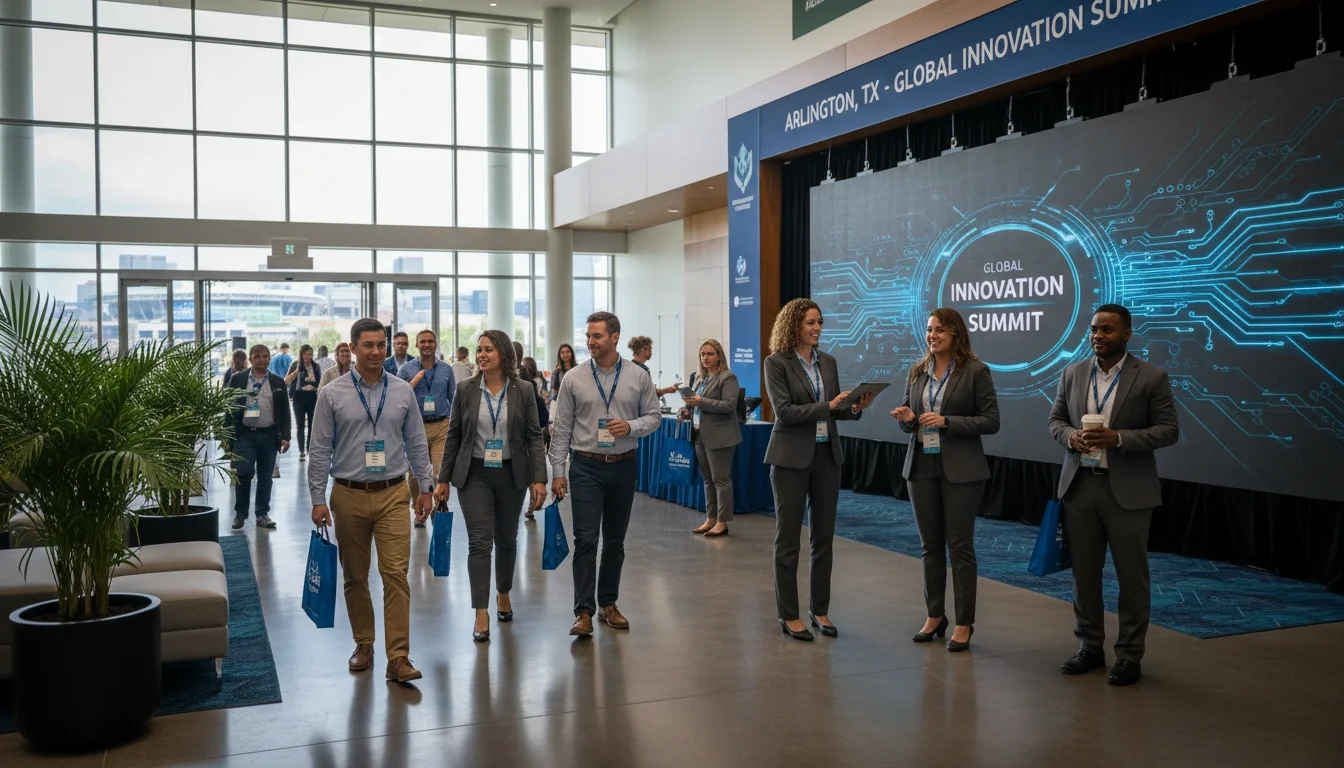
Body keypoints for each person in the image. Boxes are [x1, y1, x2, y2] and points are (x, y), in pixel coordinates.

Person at [1049, 304, 1179, 687]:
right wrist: (1071, 437)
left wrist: (1118, 438)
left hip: (1128, 491)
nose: (1098, 336)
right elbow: (1055, 420)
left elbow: (1168, 430)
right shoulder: (1073, 373)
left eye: (1107, 330)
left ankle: (1129, 656)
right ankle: (1089, 647)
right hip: (1080, 486)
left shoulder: (1151, 377)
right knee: (1084, 574)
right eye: (1094, 329)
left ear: (1126, 334)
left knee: (1131, 578)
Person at [308, 318, 435, 684]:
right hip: (347, 495)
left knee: (395, 575)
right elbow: (319, 449)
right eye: (369, 345)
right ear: (353, 348)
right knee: (355, 576)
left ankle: (399, 656)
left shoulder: (402, 391)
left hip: (394, 493)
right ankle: (364, 643)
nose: (377, 352)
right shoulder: (332, 393)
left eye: (381, 345)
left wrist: (425, 488)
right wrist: (317, 498)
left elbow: (416, 443)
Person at [763, 298, 875, 642]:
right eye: (810, 323)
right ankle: (788, 614)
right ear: (793, 325)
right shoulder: (776, 362)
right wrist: (828, 405)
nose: (817, 329)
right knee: (788, 539)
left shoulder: (828, 361)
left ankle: (820, 609)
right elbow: (784, 412)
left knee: (823, 539)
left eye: (820, 322)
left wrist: (853, 407)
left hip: (828, 457)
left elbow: (834, 412)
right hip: (790, 459)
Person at [890, 308, 1000, 652]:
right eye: (929, 329)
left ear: (955, 334)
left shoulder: (976, 371)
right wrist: (908, 418)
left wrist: (947, 421)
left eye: (940, 330)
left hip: (962, 470)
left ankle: (964, 622)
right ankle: (935, 615)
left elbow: (991, 421)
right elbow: (910, 422)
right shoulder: (917, 371)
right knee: (930, 546)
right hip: (921, 466)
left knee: (960, 547)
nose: (932, 336)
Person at [549, 312, 661, 637]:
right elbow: (562, 429)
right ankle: (583, 612)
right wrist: (558, 472)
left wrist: (631, 426)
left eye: (596, 336)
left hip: (624, 466)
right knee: (585, 539)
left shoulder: (638, 376)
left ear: (614, 337)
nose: (590, 342)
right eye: (588, 336)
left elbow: (654, 417)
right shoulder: (573, 378)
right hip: (586, 466)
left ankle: (608, 604)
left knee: (614, 541)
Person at [432, 331, 546, 643]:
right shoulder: (466, 388)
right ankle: (480, 611)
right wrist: (442, 479)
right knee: (480, 543)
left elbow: (534, 436)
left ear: (504, 354)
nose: (482, 355)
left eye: (489, 350)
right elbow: (454, 435)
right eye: (479, 350)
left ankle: (503, 592)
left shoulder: (523, 389)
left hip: (511, 473)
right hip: (475, 474)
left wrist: (539, 478)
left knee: (507, 540)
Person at [223, 345, 292, 531]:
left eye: (266, 356)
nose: (263, 359)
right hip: (244, 434)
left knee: (265, 477)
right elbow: (229, 407)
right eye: (258, 357)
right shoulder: (238, 379)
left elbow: (285, 410)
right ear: (251, 359)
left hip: (269, 435)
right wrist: (226, 434)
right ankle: (240, 514)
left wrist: (286, 436)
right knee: (244, 473)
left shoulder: (277, 382)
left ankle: (262, 514)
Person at [677, 339, 741, 537]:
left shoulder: (727, 377)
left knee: (721, 480)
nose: (705, 357)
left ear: (719, 356)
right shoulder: (699, 377)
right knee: (707, 480)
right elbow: (695, 404)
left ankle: (722, 521)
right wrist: (686, 410)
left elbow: (729, 405)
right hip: (699, 434)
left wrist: (701, 401)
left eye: (710, 354)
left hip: (721, 436)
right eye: (702, 354)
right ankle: (711, 518)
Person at [396, 330, 456, 528]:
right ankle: (419, 507)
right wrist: (413, 382)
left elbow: (453, 398)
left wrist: (453, 424)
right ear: (417, 345)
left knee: (439, 473)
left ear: (435, 344)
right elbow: (397, 399)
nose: (427, 345)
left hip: (441, 426)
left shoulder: (446, 370)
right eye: (423, 341)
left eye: (430, 341)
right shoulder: (406, 369)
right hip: (415, 427)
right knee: (415, 476)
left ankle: (439, 511)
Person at [285, 345, 322, 461]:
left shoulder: (316, 366)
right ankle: (301, 451)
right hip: (298, 398)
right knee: (300, 425)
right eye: (305, 354)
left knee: (312, 425)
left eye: (310, 354)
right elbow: (286, 380)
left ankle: (309, 449)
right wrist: (296, 371)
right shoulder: (295, 364)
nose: (307, 357)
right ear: (301, 355)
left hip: (312, 398)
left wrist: (314, 387)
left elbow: (320, 383)